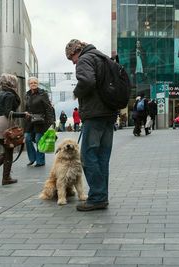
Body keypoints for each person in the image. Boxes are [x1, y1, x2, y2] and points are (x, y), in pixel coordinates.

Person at [65, 39, 117, 211]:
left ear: (75, 51)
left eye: (71, 58)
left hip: (95, 114)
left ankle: (97, 197)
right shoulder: (102, 57)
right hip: (109, 113)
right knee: (102, 157)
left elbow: (87, 81)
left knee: (87, 156)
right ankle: (102, 196)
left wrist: (76, 92)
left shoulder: (85, 59)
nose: (72, 62)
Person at [24, 77, 54, 167]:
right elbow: (27, 107)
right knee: (27, 138)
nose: (33, 84)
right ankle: (32, 158)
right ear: (28, 84)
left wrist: (50, 122)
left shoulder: (42, 93)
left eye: (35, 82)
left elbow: (48, 108)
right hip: (30, 121)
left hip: (40, 120)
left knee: (38, 139)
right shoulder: (27, 94)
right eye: (31, 83)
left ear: (37, 83)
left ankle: (40, 161)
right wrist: (26, 112)